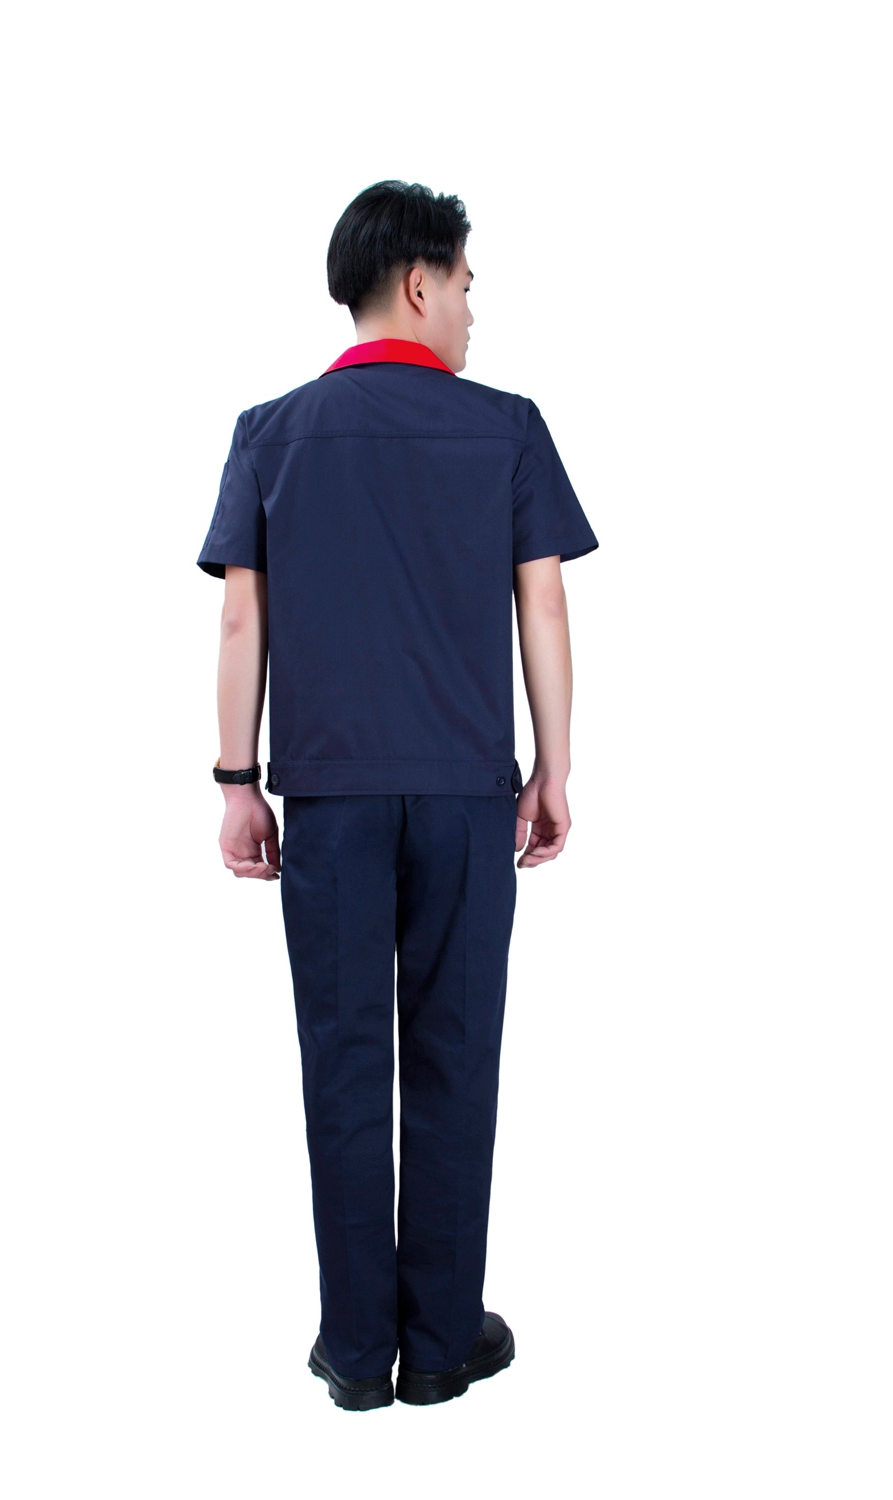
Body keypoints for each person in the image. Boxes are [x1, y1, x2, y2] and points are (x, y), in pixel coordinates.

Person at [196, 180, 599, 1410]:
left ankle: (355, 1349)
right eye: (467, 284)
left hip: (327, 802)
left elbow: (241, 617)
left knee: (342, 1062)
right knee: (453, 1059)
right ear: (418, 283)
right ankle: (439, 1344)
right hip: (467, 799)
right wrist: (553, 769)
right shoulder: (506, 428)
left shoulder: (270, 433)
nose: (473, 308)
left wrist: (236, 783)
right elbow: (542, 601)